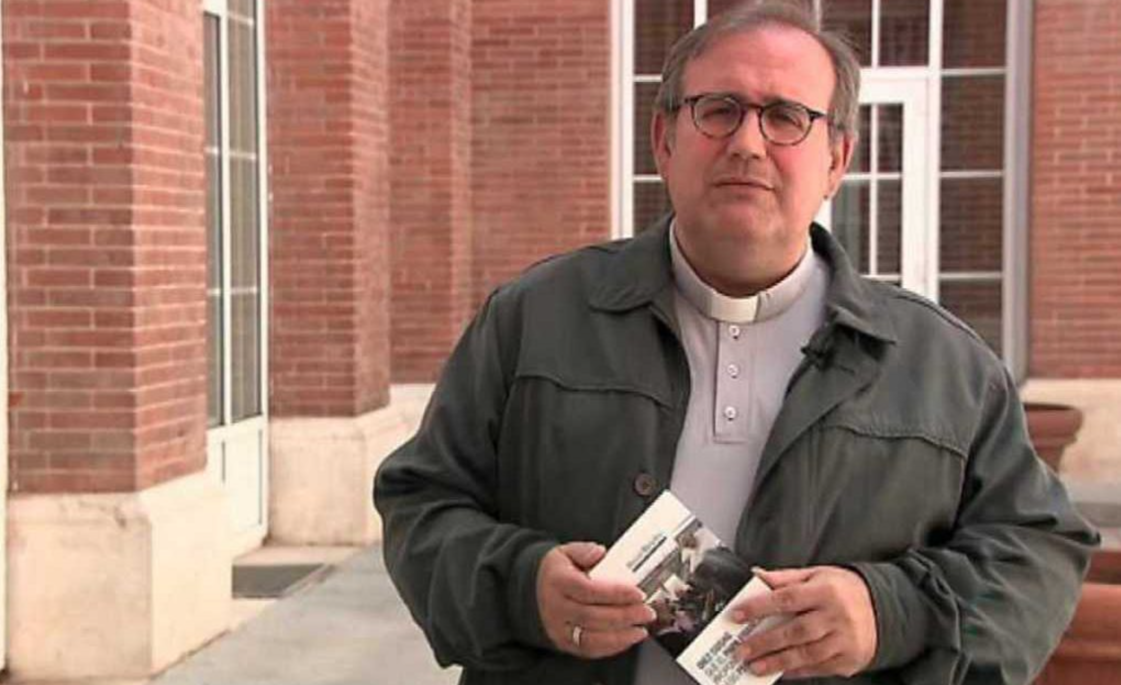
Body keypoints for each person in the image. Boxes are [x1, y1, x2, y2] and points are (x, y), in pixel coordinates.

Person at [374, 2, 1099, 684]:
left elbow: (1038, 553)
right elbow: (422, 505)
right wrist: (523, 586)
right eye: (718, 110)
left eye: (787, 116)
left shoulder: (944, 366)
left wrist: (890, 611)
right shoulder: (533, 320)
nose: (748, 143)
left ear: (838, 158)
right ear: (664, 138)